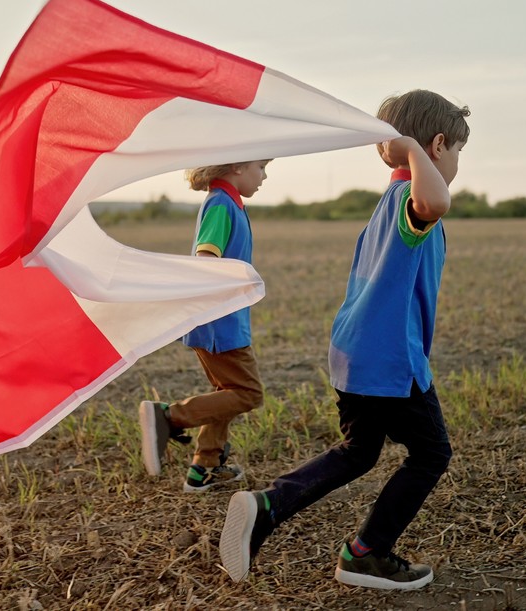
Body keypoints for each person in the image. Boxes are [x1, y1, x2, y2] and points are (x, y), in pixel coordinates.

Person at [218, 90, 470, 590]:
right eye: (458, 149)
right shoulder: (410, 201)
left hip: (355, 352)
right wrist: (412, 151)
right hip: (388, 360)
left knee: (359, 452)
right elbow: (436, 200)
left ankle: (267, 506)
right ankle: (366, 553)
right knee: (432, 453)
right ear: (438, 146)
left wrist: (408, 154)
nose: (458, 160)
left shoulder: (390, 200)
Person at [140, 158, 271, 492]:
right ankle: (169, 418)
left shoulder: (229, 203)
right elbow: (206, 258)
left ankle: (205, 467)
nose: (265, 175)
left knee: (226, 391)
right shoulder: (221, 205)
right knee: (247, 393)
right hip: (220, 323)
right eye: (261, 166)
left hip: (220, 320)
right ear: (238, 167)